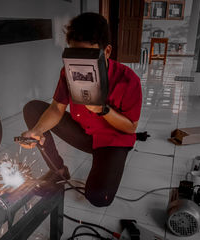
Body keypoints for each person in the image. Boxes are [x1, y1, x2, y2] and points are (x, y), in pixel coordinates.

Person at [21, 12, 142, 207]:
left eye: (87, 56)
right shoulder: (68, 72)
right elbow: (56, 109)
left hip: (112, 141)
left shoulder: (128, 80)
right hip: (84, 134)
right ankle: (58, 170)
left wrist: (103, 110)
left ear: (107, 52)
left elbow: (130, 128)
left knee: (98, 197)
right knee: (33, 110)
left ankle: (105, 163)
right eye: (74, 55)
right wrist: (37, 130)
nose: (80, 64)